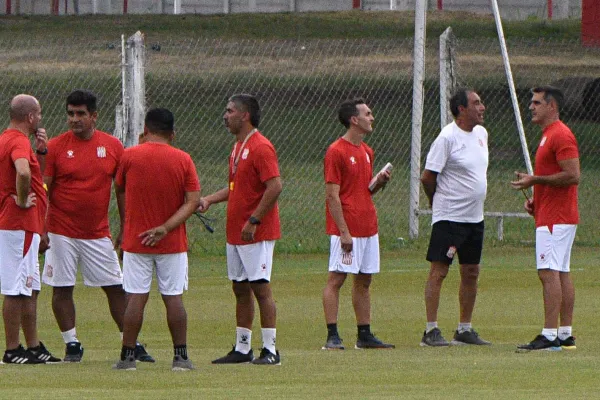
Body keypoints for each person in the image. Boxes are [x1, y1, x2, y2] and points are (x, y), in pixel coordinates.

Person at [41, 90, 153, 362]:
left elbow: (123, 189)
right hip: (60, 231)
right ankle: (72, 344)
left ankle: (131, 343)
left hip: (97, 233)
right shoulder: (56, 147)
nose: (74, 119)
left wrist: (126, 227)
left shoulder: (113, 147)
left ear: (94, 116)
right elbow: (45, 190)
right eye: (70, 113)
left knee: (116, 286)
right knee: (62, 287)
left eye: (80, 114)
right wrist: (41, 228)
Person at [198, 94, 283, 365]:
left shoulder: (261, 147)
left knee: (261, 288)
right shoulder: (238, 147)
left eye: (230, 111)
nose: (225, 115)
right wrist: (210, 199)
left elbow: (275, 187)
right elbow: (236, 187)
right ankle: (242, 347)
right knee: (240, 288)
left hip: (254, 232)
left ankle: (270, 350)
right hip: (235, 232)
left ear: (244, 115)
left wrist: (254, 220)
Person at [113, 108, 200, 371]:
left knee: (136, 297)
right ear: (172, 134)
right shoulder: (183, 159)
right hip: (171, 242)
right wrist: (165, 227)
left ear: (145, 130)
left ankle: (128, 357)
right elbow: (193, 201)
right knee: (173, 297)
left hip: (137, 240)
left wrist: (126, 225)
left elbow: (119, 189)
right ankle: (180, 357)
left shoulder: (129, 156)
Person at [420, 88, 491, 347]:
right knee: (439, 271)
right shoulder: (447, 137)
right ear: (461, 109)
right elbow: (428, 176)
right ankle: (430, 330)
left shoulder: (482, 134)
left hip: (475, 218)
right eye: (476, 103)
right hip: (450, 217)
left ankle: (464, 328)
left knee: (471, 271)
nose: (482, 107)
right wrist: (436, 203)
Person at [321, 98, 394, 351]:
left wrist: (379, 182)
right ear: (354, 119)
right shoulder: (336, 151)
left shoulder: (366, 151)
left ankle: (364, 334)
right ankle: (332, 335)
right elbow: (332, 195)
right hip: (348, 227)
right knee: (337, 278)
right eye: (368, 113)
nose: (372, 118)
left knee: (364, 280)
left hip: (367, 225)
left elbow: (363, 190)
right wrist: (343, 232)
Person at [511, 86, 579, 352]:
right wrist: (537, 201)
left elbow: (573, 175)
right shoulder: (547, 135)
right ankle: (565, 334)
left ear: (552, 106)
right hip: (552, 213)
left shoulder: (561, 134)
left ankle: (549, 335)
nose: (531, 106)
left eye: (537, 102)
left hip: (556, 218)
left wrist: (535, 180)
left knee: (547, 272)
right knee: (560, 271)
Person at [0, 94, 60, 364]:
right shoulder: (16, 141)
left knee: (30, 286)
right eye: (39, 114)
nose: (41, 119)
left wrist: (42, 152)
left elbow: (33, 173)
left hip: (27, 225)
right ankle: (13, 349)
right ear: (31, 117)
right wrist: (22, 199)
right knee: (15, 288)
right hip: (18, 225)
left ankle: (33, 346)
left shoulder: (10, 139)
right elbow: (23, 172)